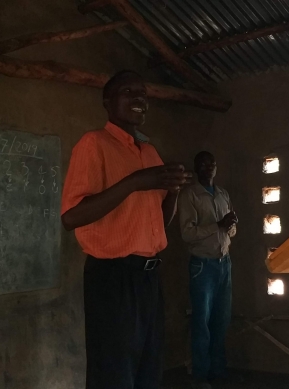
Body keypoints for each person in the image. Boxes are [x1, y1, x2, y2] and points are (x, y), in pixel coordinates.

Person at [61, 70, 191, 389]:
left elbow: (159, 223)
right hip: (112, 277)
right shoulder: (94, 143)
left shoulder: (148, 153)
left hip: (147, 278)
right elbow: (71, 216)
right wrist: (134, 183)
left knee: (148, 369)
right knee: (114, 374)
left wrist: (173, 190)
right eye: (128, 92)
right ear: (107, 102)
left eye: (143, 94)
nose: (138, 99)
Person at [178, 151, 237, 389]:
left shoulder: (222, 194)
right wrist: (218, 225)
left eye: (212, 163)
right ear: (196, 169)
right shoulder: (190, 195)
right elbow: (187, 233)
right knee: (201, 322)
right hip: (202, 265)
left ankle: (218, 371)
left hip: (224, 264)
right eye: (203, 164)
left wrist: (230, 226)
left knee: (221, 320)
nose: (209, 167)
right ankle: (201, 376)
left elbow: (230, 232)